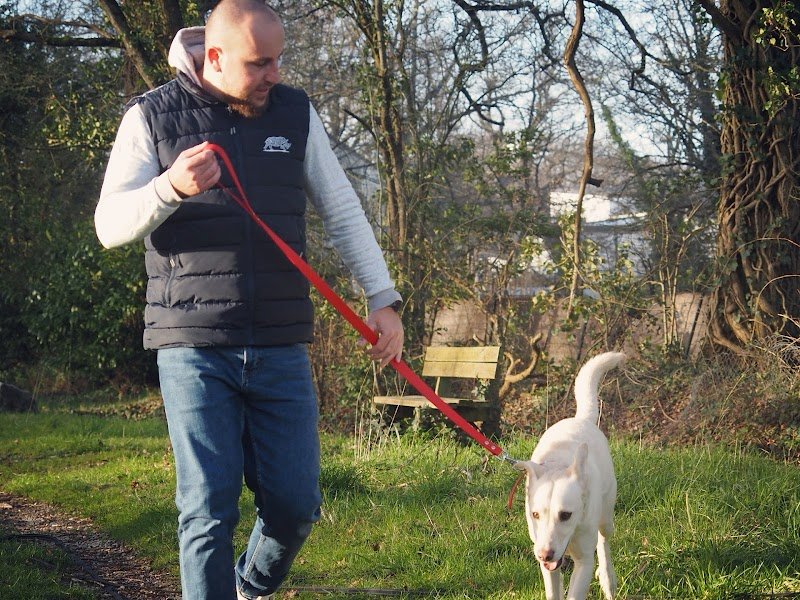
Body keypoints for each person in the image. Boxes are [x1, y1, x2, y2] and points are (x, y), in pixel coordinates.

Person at [95, 2, 404, 599]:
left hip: (280, 342)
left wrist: (382, 297)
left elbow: (341, 208)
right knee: (207, 510)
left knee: (295, 505)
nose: (274, 74)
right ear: (213, 57)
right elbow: (108, 225)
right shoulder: (151, 115)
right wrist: (169, 188)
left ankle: (249, 585)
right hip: (193, 344)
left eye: (278, 59)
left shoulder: (294, 112)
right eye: (259, 63)